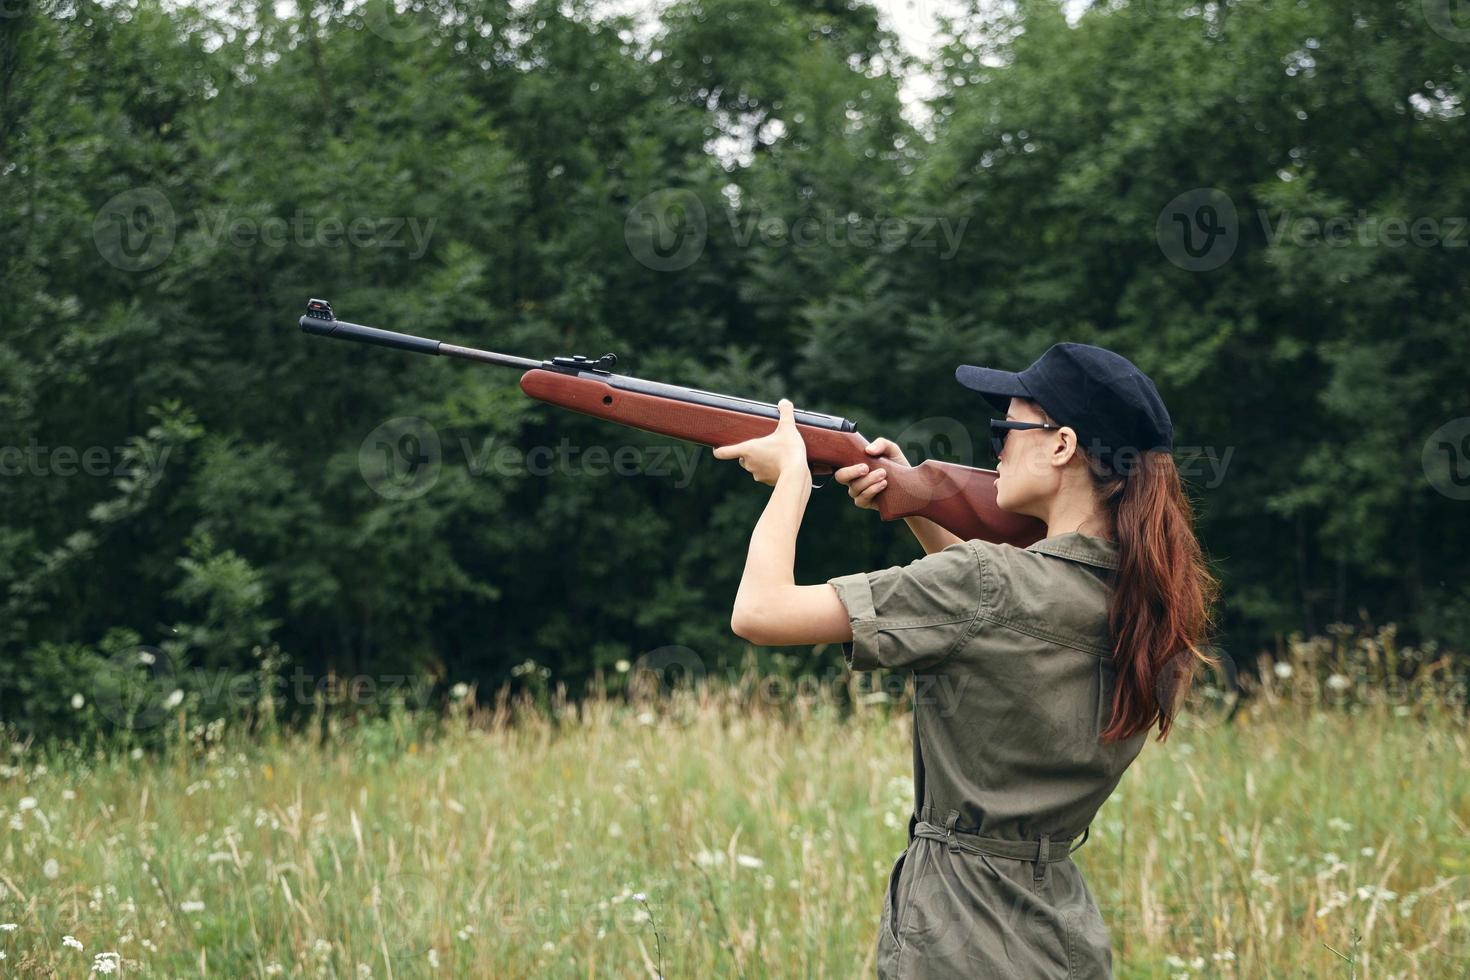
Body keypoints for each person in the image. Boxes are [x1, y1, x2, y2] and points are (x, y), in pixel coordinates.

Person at [712, 343, 1219, 978]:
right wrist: (918, 501)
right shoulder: (1150, 612)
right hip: (1061, 934)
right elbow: (992, 616)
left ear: (1062, 445)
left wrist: (792, 477)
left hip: (956, 933)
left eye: (1006, 428)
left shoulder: (988, 582)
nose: (997, 449)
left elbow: (760, 612)